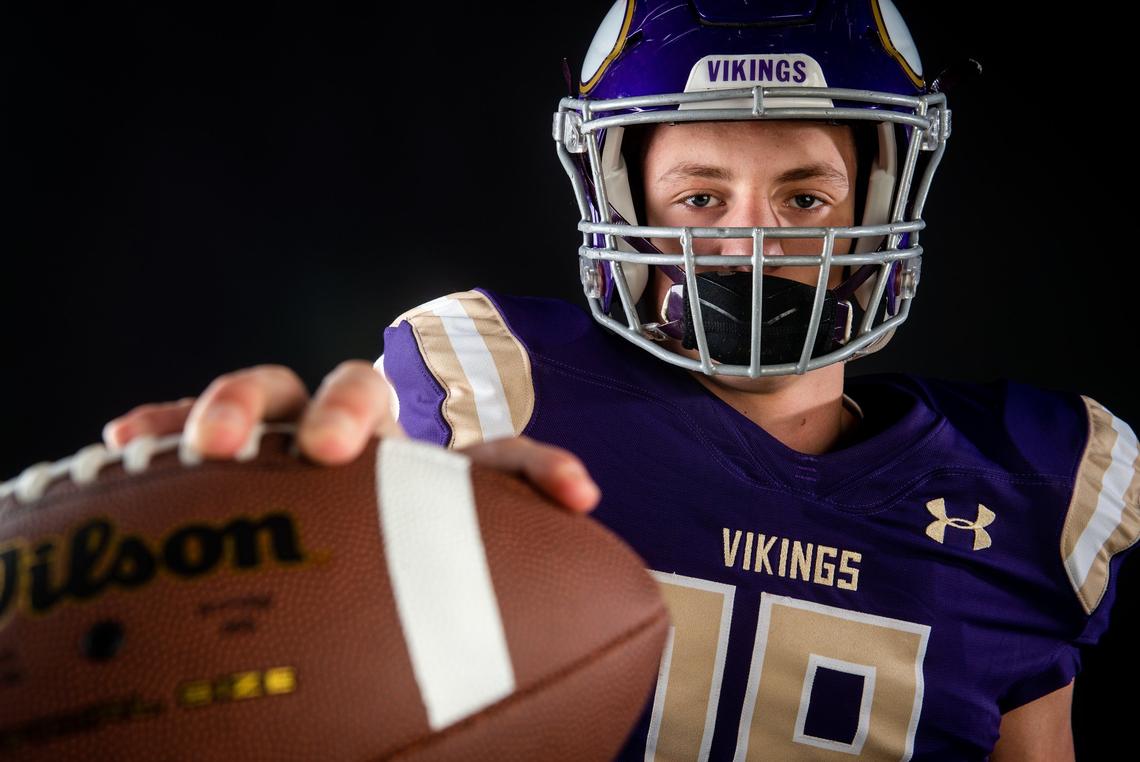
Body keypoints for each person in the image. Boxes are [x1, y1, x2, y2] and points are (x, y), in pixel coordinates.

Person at [101, 1, 1137, 759]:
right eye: (698, 195)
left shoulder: (1033, 479)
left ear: (879, 202)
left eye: (806, 196)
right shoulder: (494, 393)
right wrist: (247, 532)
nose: (749, 239)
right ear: (622, 196)